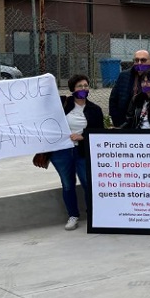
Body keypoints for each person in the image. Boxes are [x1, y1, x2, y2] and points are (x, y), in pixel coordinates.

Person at [51, 74, 105, 230]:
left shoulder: (95, 110)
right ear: (72, 89)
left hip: (83, 151)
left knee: (88, 183)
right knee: (67, 184)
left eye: (86, 86)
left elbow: (100, 134)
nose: (83, 89)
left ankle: (93, 214)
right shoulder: (63, 104)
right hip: (62, 152)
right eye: (80, 86)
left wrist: (83, 137)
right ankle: (73, 215)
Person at [108, 49, 150, 128]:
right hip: (125, 123)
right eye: (136, 60)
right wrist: (117, 122)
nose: (139, 63)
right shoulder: (124, 76)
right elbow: (113, 99)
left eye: (143, 60)